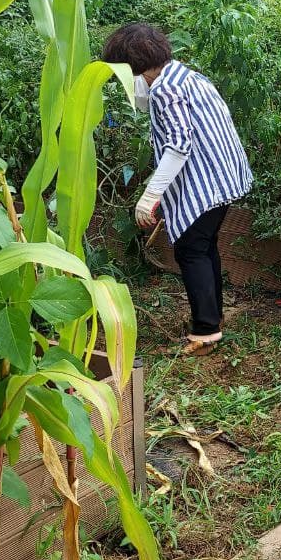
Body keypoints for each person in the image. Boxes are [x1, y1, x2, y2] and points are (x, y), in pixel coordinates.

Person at [101, 23, 253, 354]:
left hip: (206, 182)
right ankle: (211, 318)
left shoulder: (164, 90)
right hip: (225, 177)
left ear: (134, 66)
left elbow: (178, 146)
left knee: (190, 250)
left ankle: (205, 332)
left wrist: (149, 197)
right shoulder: (185, 76)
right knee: (204, 245)